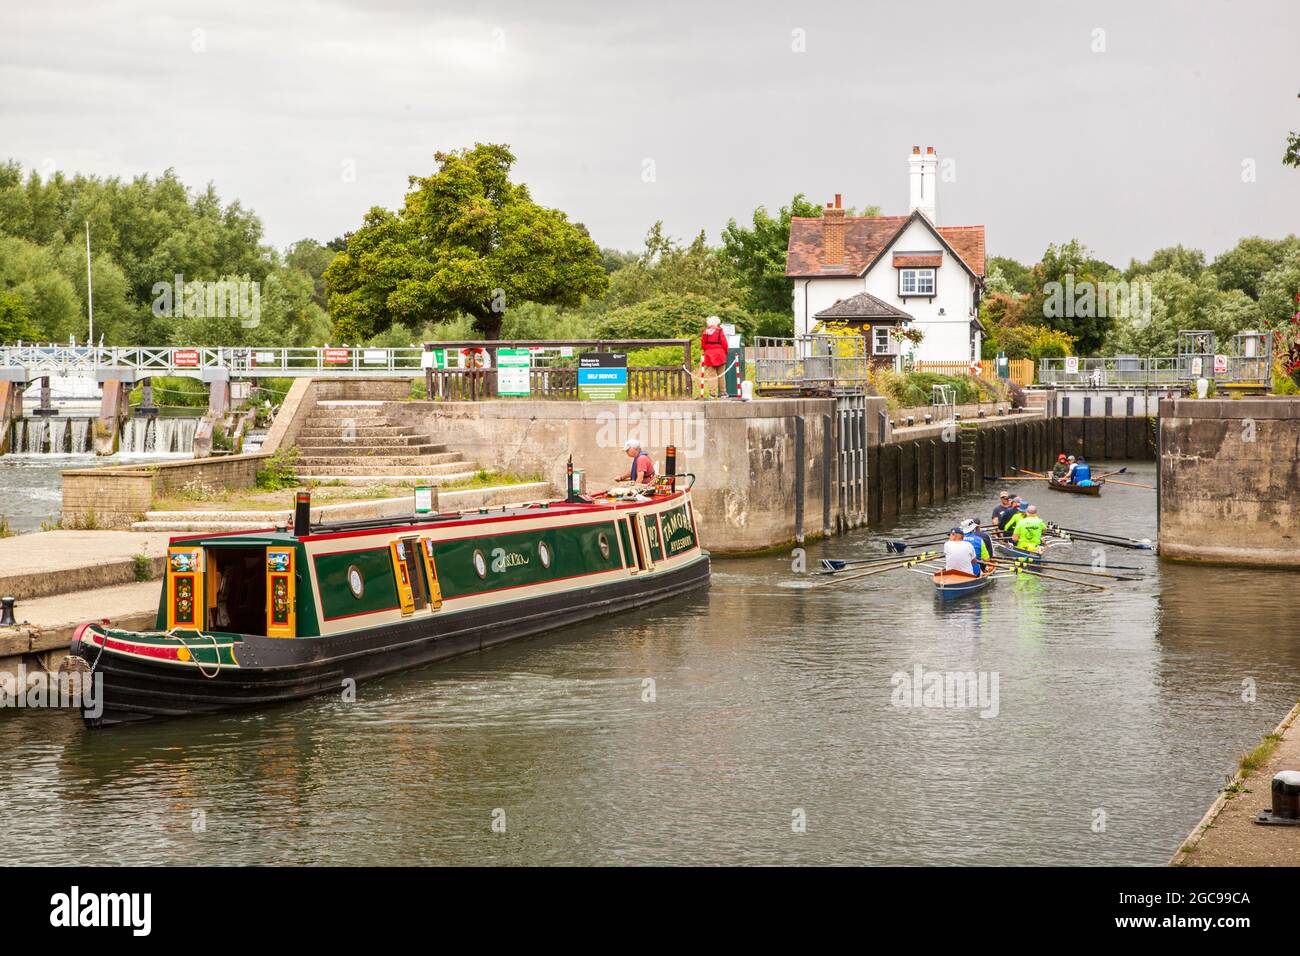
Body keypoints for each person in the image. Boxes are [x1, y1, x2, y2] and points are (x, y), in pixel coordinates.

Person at [699, 315, 728, 399]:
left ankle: (712, 394)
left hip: (709, 355)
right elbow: (724, 343)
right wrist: (725, 353)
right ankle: (723, 393)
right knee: (721, 375)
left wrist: (707, 351)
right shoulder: (719, 331)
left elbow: (703, 344)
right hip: (720, 354)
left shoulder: (705, 331)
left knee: (711, 376)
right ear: (717, 323)